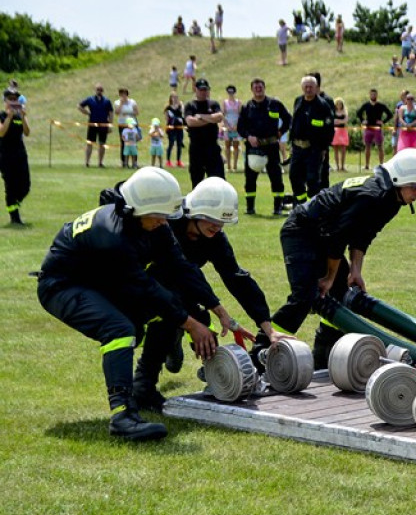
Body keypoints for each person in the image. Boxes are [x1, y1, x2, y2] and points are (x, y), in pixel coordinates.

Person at [37, 167, 218, 441]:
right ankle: (123, 416)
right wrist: (192, 325)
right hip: (62, 285)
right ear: (138, 207)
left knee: (168, 310)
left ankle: (144, 389)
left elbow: (181, 267)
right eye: (159, 215)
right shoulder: (112, 235)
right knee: (119, 329)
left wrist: (218, 310)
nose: (164, 222)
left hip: (98, 281)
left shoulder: (150, 222)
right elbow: (146, 289)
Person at [253, 148, 416, 369]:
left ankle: (323, 357)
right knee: (305, 297)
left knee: (340, 296)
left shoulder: (391, 199)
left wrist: (355, 271)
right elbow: (337, 237)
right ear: (399, 179)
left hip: (324, 236)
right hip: (301, 231)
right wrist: (330, 276)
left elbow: (363, 236)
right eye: (415, 187)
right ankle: (258, 355)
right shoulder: (371, 195)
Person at [137, 177, 289, 407]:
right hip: (147, 281)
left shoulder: (215, 238)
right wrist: (218, 309)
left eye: (221, 223)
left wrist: (267, 327)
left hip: (183, 285)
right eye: (212, 220)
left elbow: (236, 278)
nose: (217, 228)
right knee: (168, 316)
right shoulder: (167, 224)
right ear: (195, 213)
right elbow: (181, 269)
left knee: (203, 329)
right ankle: (143, 388)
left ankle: (200, 363)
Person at [238, 77, 292, 215]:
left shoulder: (274, 104)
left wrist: (282, 131)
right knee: (250, 178)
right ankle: (250, 208)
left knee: (276, 178)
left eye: (260, 87)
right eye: (255, 87)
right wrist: (248, 136)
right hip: (253, 148)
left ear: (264, 88)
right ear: (251, 89)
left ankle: (278, 208)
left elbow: (288, 119)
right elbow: (240, 127)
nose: (258, 89)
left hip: (272, 146)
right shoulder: (247, 107)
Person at [289, 75, 334, 205]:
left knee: (312, 179)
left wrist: (324, 148)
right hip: (297, 147)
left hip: (314, 149)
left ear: (316, 88)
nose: (308, 89)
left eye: (311, 87)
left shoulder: (323, 106)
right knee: (294, 176)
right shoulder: (298, 101)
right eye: (306, 86)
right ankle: (301, 204)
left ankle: (313, 207)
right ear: (302, 87)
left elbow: (329, 129)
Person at [184, 78, 225, 188]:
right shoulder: (190, 105)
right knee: (197, 181)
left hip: (212, 147)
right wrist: (210, 120)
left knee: (218, 180)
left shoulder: (213, 104)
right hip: (197, 148)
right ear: (196, 90)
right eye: (201, 90)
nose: (204, 92)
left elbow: (219, 117)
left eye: (205, 90)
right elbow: (190, 122)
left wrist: (201, 117)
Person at [0, 88, 30, 225]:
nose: (13, 101)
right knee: (11, 185)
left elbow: (27, 132)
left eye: (15, 99)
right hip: (6, 155)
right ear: (5, 101)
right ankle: (14, 217)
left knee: (25, 185)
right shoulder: (1, 116)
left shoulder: (20, 116)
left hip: (20, 153)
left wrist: (23, 117)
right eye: (10, 99)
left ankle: (15, 202)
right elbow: (1, 133)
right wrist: (9, 117)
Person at [356, 88, 392, 171]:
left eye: (374, 94)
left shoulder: (381, 105)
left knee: (380, 146)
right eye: (371, 94)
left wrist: (383, 121)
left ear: (377, 95)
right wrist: (362, 120)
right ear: (369, 95)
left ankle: (381, 165)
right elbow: (358, 113)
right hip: (368, 128)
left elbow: (389, 114)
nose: (373, 96)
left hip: (377, 128)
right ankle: (367, 165)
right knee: (367, 146)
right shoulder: (366, 105)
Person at [78, 83, 113, 168]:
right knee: (89, 143)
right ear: (95, 90)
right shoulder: (90, 99)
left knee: (102, 144)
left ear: (103, 91)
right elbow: (79, 106)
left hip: (103, 125)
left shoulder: (107, 101)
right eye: (98, 89)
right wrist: (86, 113)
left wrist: (110, 125)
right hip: (92, 124)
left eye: (101, 90)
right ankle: (87, 162)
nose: (99, 91)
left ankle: (100, 162)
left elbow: (111, 113)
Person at [113, 88, 139, 167]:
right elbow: (117, 112)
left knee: (133, 143)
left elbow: (137, 112)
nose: (123, 96)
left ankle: (134, 162)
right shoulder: (117, 102)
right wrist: (121, 103)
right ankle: (124, 161)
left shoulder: (132, 102)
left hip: (132, 124)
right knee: (123, 142)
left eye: (124, 94)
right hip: (122, 125)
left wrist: (128, 113)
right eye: (121, 94)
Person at [222, 85, 242, 172]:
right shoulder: (225, 102)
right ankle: (229, 166)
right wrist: (227, 125)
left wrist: (236, 125)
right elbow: (223, 114)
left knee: (236, 146)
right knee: (227, 145)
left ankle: (235, 165)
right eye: (229, 92)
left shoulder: (238, 102)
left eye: (232, 92)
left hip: (236, 127)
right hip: (228, 126)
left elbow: (240, 115)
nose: (231, 94)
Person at [165, 92, 186, 168]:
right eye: (173, 97)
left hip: (179, 128)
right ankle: (168, 161)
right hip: (172, 128)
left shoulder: (180, 106)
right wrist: (167, 127)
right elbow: (167, 119)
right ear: (171, 98)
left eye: (176, 97)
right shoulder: (168, 108)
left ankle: (178, 161)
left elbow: (183, 115)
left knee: (179, 144)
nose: (175, 99)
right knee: (171, 144)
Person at [331, 97, 349, 171]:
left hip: (343, 131)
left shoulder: (344, 112)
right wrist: (338, 121)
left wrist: (338, 121)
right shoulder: (333, 112)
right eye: (337, 104)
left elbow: (345, 120)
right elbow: (332, 120)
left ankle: (342, 166)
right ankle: (337, 166)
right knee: (335, 149)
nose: (339, 105)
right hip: (335, 132)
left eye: (340, 104)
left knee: (343, 149)